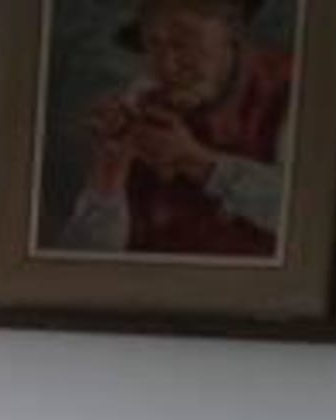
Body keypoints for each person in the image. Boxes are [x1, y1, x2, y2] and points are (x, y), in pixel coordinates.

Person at [58, 0, 294, 259]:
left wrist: (198, 163)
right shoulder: (142, 99)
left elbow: (306, 215)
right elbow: (84, 257)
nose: (168, 66)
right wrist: (109, 172)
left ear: (232, 29)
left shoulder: (291, 88)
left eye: (184, 41)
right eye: (153, 44)